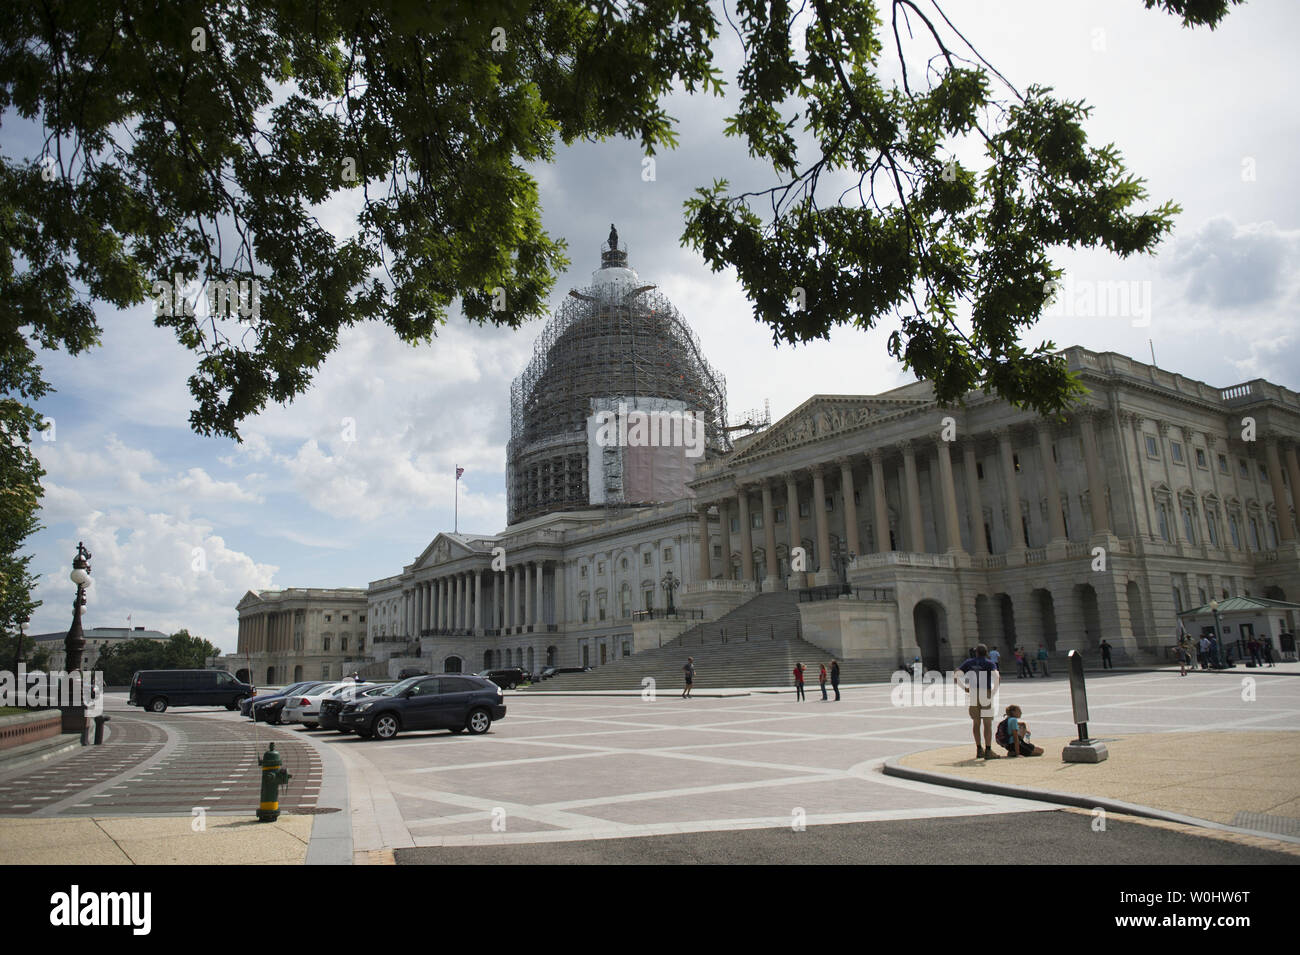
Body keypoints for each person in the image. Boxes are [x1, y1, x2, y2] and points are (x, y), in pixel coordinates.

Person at [956, 644, 1000, 760]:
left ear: (976, 653)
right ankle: (988, 750)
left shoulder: (969, 662)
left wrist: (964, 688)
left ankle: (979, 749)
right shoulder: (989, 663)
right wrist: (994, 690)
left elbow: (956, 676)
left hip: (974, 693)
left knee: (976, 723)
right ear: (986, 653)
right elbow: (997, 676)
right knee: (987, 723)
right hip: (985, 693)